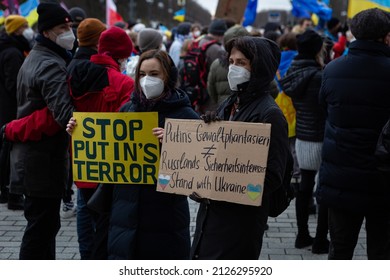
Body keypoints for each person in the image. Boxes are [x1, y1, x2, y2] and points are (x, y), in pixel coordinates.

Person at [191, 36, 290, 259]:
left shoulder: (270, 114)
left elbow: (273, 175)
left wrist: (227, 184)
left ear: (259, 68)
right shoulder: (230, 103)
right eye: (232, 62)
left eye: (242, 63)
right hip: (211, 214)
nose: (233, 68)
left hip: (239, 221)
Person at [107, 49, 199, 259]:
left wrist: (175, 141)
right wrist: (78, 131)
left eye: (154, 74)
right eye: (142, 74)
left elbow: (201, 162)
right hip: (127, 211)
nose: (147, 80)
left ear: (167, 76)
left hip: (165, 214)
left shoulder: (185, 114)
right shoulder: (128, 110)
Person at [317, 8, 390, 260]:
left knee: (340, 248)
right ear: (386, 37)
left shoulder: (332, 70)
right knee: (381, 252)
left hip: (341, 176)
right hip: (383, 179)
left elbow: (324, 109)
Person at [5, 2, 75, 260]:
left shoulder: (41, 56)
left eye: (69, 26)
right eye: (62, 27)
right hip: (42, 161)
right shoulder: (50, 64)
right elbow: (64, 114)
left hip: (34, 158)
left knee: (44, 226)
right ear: (47, 32)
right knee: (41, 230)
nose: (69, 32)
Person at [279, 29, 329, 254]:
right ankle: (320, 239)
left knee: (305, 187)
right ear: (318, 49)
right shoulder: (319, 76)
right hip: (322, 137)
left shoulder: (292, 72)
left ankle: (301, 234)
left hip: (302, 136)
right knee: (323, 190)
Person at [66, 17, 108, 259]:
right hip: (99, 143)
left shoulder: (71, 65)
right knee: (97, 206)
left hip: (80, 143)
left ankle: (86, 256)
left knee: (84, 202)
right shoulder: (97, 69)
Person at [0, 15, 31, 210]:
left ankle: (5, 189)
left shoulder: (7, 47)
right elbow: (14, 83)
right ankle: (9, 190)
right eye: (25, 26)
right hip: (10, 107)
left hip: (4, 105)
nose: (28, 29)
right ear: (18, 29)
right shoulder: (13, 52)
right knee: (9, 149)